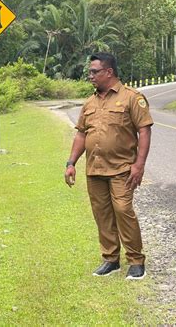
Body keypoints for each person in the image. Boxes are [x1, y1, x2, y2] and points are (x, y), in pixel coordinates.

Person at [64, 52, 153, 280]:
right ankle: (110, 259)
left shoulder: (132, 97)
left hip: (122, 168)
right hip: (94, 169)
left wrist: (139, 165)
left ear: (109, 72)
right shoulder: (90, 102)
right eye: (90, 71)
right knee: (102, 214)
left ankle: (135, 260)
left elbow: (144, 130)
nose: (90, 75)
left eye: (94, 71)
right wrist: (71, 162)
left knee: (123, 211)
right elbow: (81, 135)